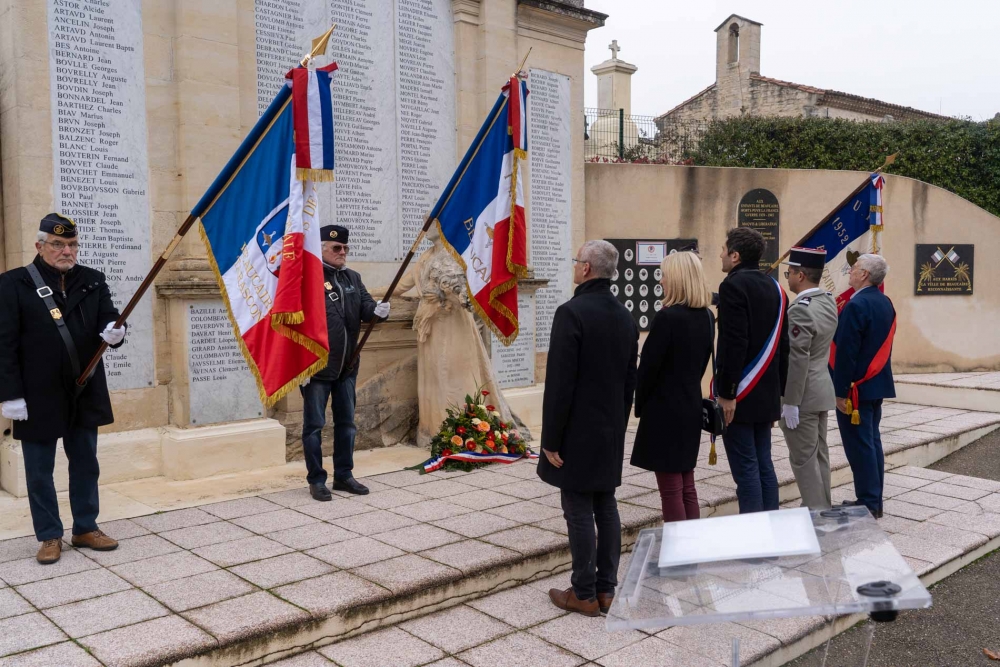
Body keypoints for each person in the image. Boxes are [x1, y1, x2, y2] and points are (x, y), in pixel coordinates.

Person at [0, 213, 128, 564]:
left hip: (83, 386)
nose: (66, 251)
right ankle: (49, 535)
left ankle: (85, 526)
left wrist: (117, 332)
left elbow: (110, 317)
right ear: (40, 246)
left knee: (85, 461)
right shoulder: (13, 283)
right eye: (58, 244)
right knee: (39, 468)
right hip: (36, 392)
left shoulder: (92, 279)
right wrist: (9, 394)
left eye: (71, 244)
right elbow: (4, 342)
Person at [537, 240, 638, 617]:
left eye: (576, 260)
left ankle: (583, 593)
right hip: (609, 428)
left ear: (586, 269)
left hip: (577, 430)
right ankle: (606, 589)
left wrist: (550, 440)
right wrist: (618, 423)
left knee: (578, 506)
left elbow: (560, 384)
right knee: (606, 504)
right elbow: (630, 379)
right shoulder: (624, 316)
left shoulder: (572, 313)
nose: (575, 265)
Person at [396, 225, 514, 447]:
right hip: (430, 328)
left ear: (444, 226)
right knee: (434, 379)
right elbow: (400, 287)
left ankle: (464, 430)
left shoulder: (456, 255)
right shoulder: (425, 257)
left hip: (452, 325)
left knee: (455, 376)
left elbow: (466, 294)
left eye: (431, 221)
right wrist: (366, 293)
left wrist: (447, 295)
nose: (425, 224)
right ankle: (436, 432)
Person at [301, 225, 390, 501]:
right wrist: (299, 365)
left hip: (348, 365)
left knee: (347, 424)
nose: (343, 253)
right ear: (322, 250)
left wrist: (378, 310)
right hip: (316, 367)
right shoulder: (308, 278)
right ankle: (316, 479)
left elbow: (365, 308)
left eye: (345, 248)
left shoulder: (353, 277)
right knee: (314, 425)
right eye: (336, 248)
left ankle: (343, 475)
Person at [631, 251, 714, 522]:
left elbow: (648, 370)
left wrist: (639, 404)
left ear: (677, 279)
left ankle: (678, 551)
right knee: (686, 485)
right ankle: (691, 544)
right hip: (689, 403)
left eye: (664, 275)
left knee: (670, 490)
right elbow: (702, 364)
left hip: (664, 410)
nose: (661, 281)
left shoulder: (667, 318)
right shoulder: (706, 316)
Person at [716, 227, 789, 514]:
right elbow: (783, 346)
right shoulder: (776, 288)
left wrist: (727, 393)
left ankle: (754, 537)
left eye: (724, 250)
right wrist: (778, 395)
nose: (721, 255)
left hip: (741, 395)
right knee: (764, 465)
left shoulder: (733, 286)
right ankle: (770, 525)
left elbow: (735, 343)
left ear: (735, 256)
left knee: (746, 468)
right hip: (767, 392)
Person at [832, 253, 896, 519]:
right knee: (871, 442)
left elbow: (846, 352)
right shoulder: (885, 302)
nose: (850, 271)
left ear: (864, 275)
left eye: (854, 268)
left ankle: (869, 502)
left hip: (855, 389)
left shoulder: (856, 306)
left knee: (860, 445)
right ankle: (873, 498)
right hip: (875, 383)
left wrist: (840, 391)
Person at [780, 247, 838, 510]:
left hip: (803, 395)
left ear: (800, 275)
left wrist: (790, 402)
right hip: (821, 389)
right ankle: (821, 507)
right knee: (819, 457)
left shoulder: (800, 310)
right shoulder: (826, 300)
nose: (788, 278)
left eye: (789, 273)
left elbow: (798, 359)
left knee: (804, 460)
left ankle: (817, 515)